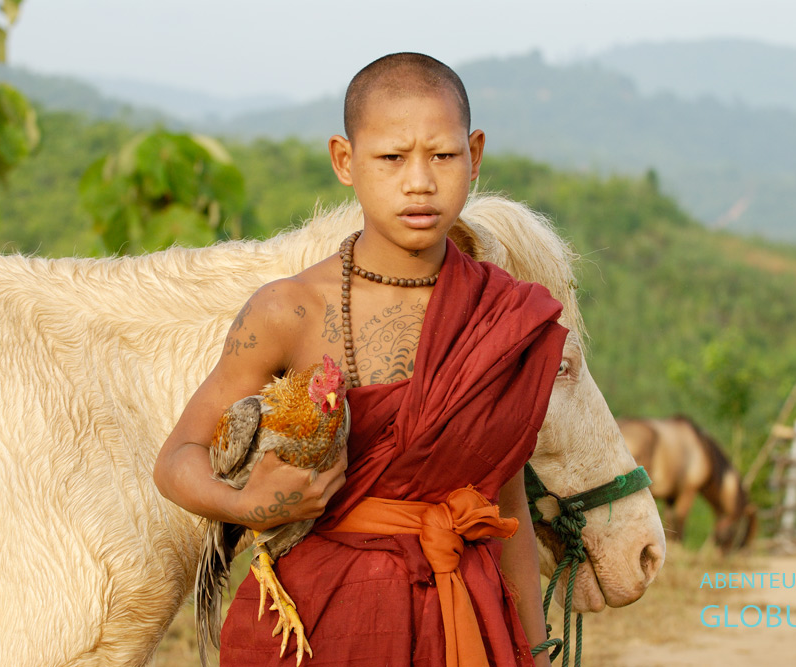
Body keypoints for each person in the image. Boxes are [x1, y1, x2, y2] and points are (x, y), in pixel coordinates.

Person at [153, 52, 566, 667]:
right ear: (345, 161)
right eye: (392, 158)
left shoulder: (500, 315)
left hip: (465, 623)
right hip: (323, 623)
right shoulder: (288, 311)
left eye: (443, 156)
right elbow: (176, 460)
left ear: (475, 156)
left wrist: (533, 649)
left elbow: (505, 505)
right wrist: (251, 505)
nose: (419, 181)